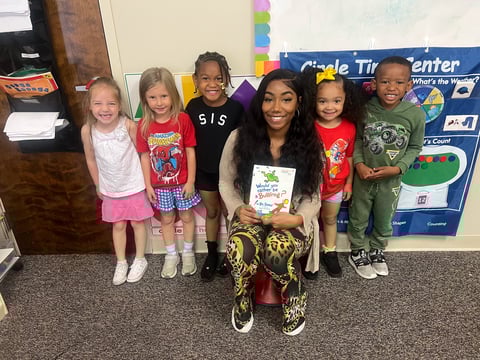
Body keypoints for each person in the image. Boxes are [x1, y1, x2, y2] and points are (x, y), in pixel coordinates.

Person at [219, 68, 324, 336]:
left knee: (276, 250)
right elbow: (225, 183)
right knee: (240, 250)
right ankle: (242, 296)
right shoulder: (239, 138)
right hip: (251, 214)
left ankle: (295, 292)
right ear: (260, 102)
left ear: (299, 102)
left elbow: (314, 195)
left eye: (286, 99)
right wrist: (238, 208)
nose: (276, 107)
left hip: (291, 219)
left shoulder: (311, 142)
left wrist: (298, 218)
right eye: (269, 98)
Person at [347, 56, 425, 279]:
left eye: (399, 82)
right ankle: (357, 251)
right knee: (358, 216)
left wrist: (399, 168)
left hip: (391, 181)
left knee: (384, 218)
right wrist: (359, 164)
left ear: (409, 86)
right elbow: (359, 139)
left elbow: (415, 146)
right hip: (363, 178)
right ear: (374, 84)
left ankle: (377, 250)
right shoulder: (364, 109)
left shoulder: (415, 114)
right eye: (385, 82)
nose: (391, 87)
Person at [81, 77, 153, 286]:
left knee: (137, 222)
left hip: (134, 184)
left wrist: (147, 183)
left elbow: (142, 154)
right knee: (118, 225)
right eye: (98, 103)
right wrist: (97, 184)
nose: (105, 109)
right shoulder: (88, 131)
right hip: (111, 188)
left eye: (111, 103)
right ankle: (121, 261)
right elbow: (90, 158)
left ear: (119, 105)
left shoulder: (128, 125)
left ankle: (140, 259)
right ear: (90, 105)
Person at [301, 67, 367, 278]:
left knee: (330, 219)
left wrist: (349, 184)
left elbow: (349, 157)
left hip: (336, 186)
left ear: (345, 100)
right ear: (314, 101)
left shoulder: (349, 127)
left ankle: (330, 251)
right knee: (309, 222)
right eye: (323, 101)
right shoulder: (308, 126)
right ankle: (309, 256)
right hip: (311, 188)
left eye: (336, 101)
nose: (330, 107)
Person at [136, 67, 201, 279]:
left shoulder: (182, 120)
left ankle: (188, 253)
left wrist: (190, 181)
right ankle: (171, 255)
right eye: (153, 97)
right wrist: (148, 185)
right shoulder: (144, 125)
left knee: (186, 215)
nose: (159, 102)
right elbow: (144, 157)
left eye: (164, 96)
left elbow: (190, 151)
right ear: (145, 99)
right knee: (166, 219)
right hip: (159, 186)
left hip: (183, 183)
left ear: (172, 95)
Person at [186, 51, 244, 281]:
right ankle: (212, 255)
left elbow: (243, 144)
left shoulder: (236, 109)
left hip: (229, 174)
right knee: (212, 212)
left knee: (231, 214)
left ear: (226, 79)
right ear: (195, 79)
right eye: (205, 78)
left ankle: (232, 255)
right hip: (204, 172)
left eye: (218, 78)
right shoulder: (191, 107)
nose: (212, 84)